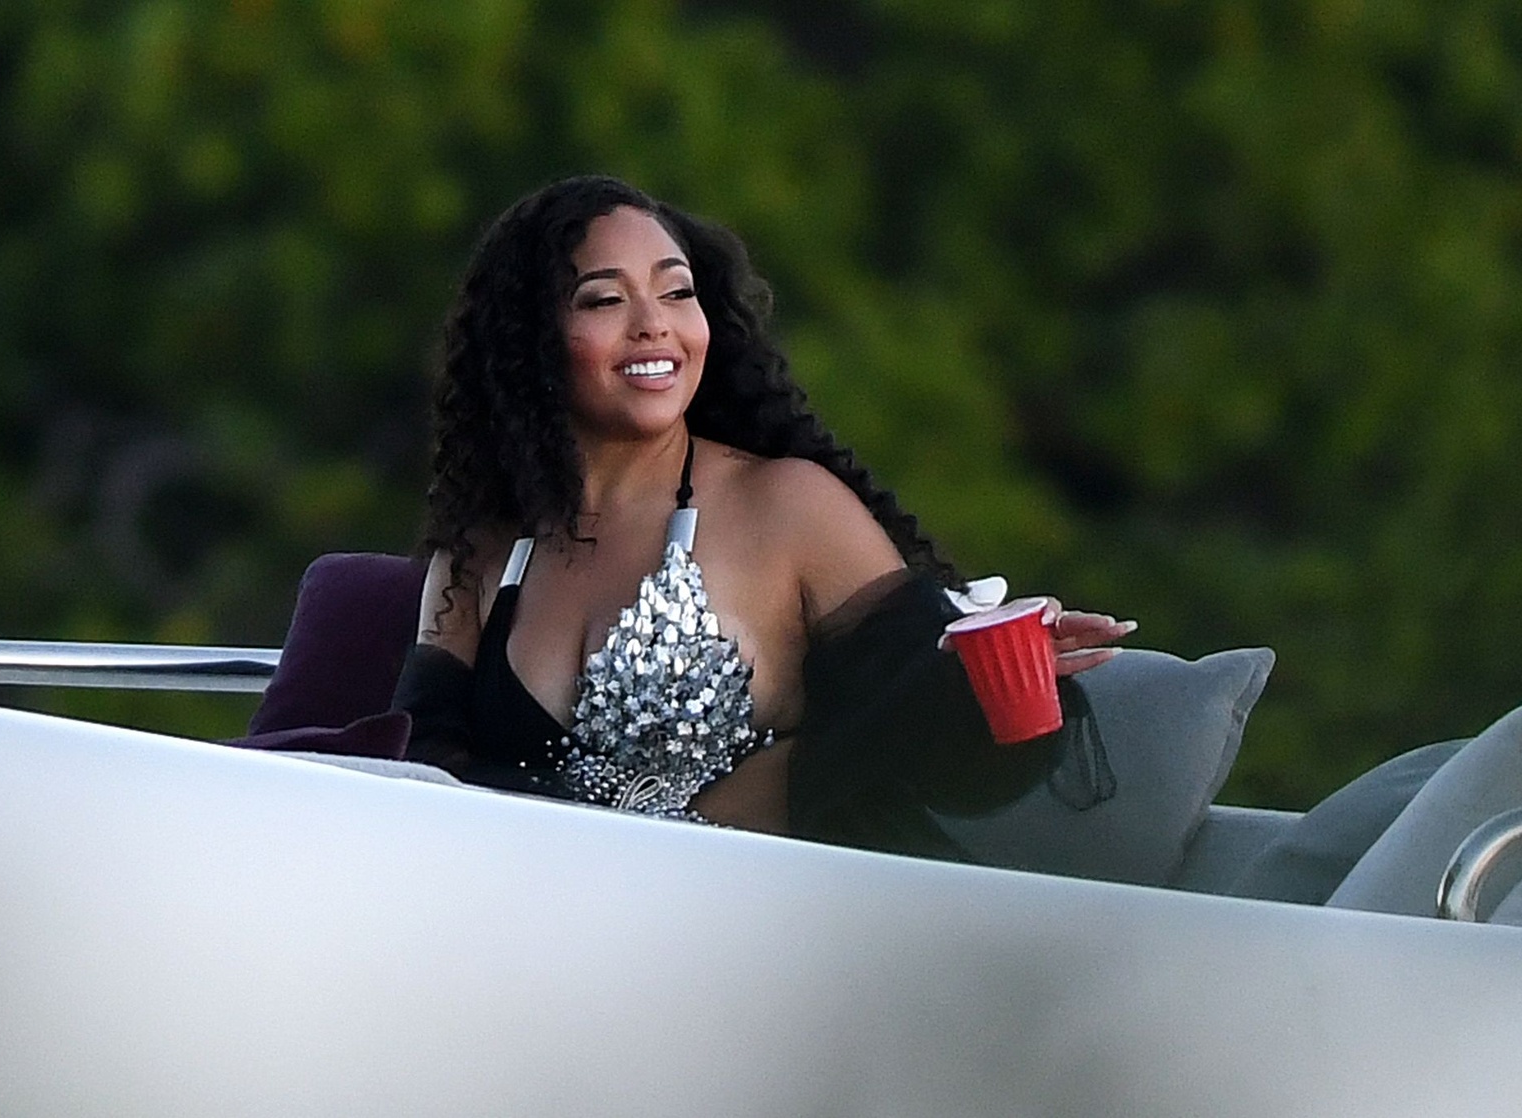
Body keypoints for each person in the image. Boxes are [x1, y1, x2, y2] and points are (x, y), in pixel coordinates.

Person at [390, 175, 1133, 861]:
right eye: (604, 300)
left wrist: (1006, 676)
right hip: (533, 926)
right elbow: (418, 785)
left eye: (676, 292)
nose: (653, 325)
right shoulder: (480, 552)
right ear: (527, 339)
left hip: (783, 931)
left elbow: (926, 722)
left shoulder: (788, 506)